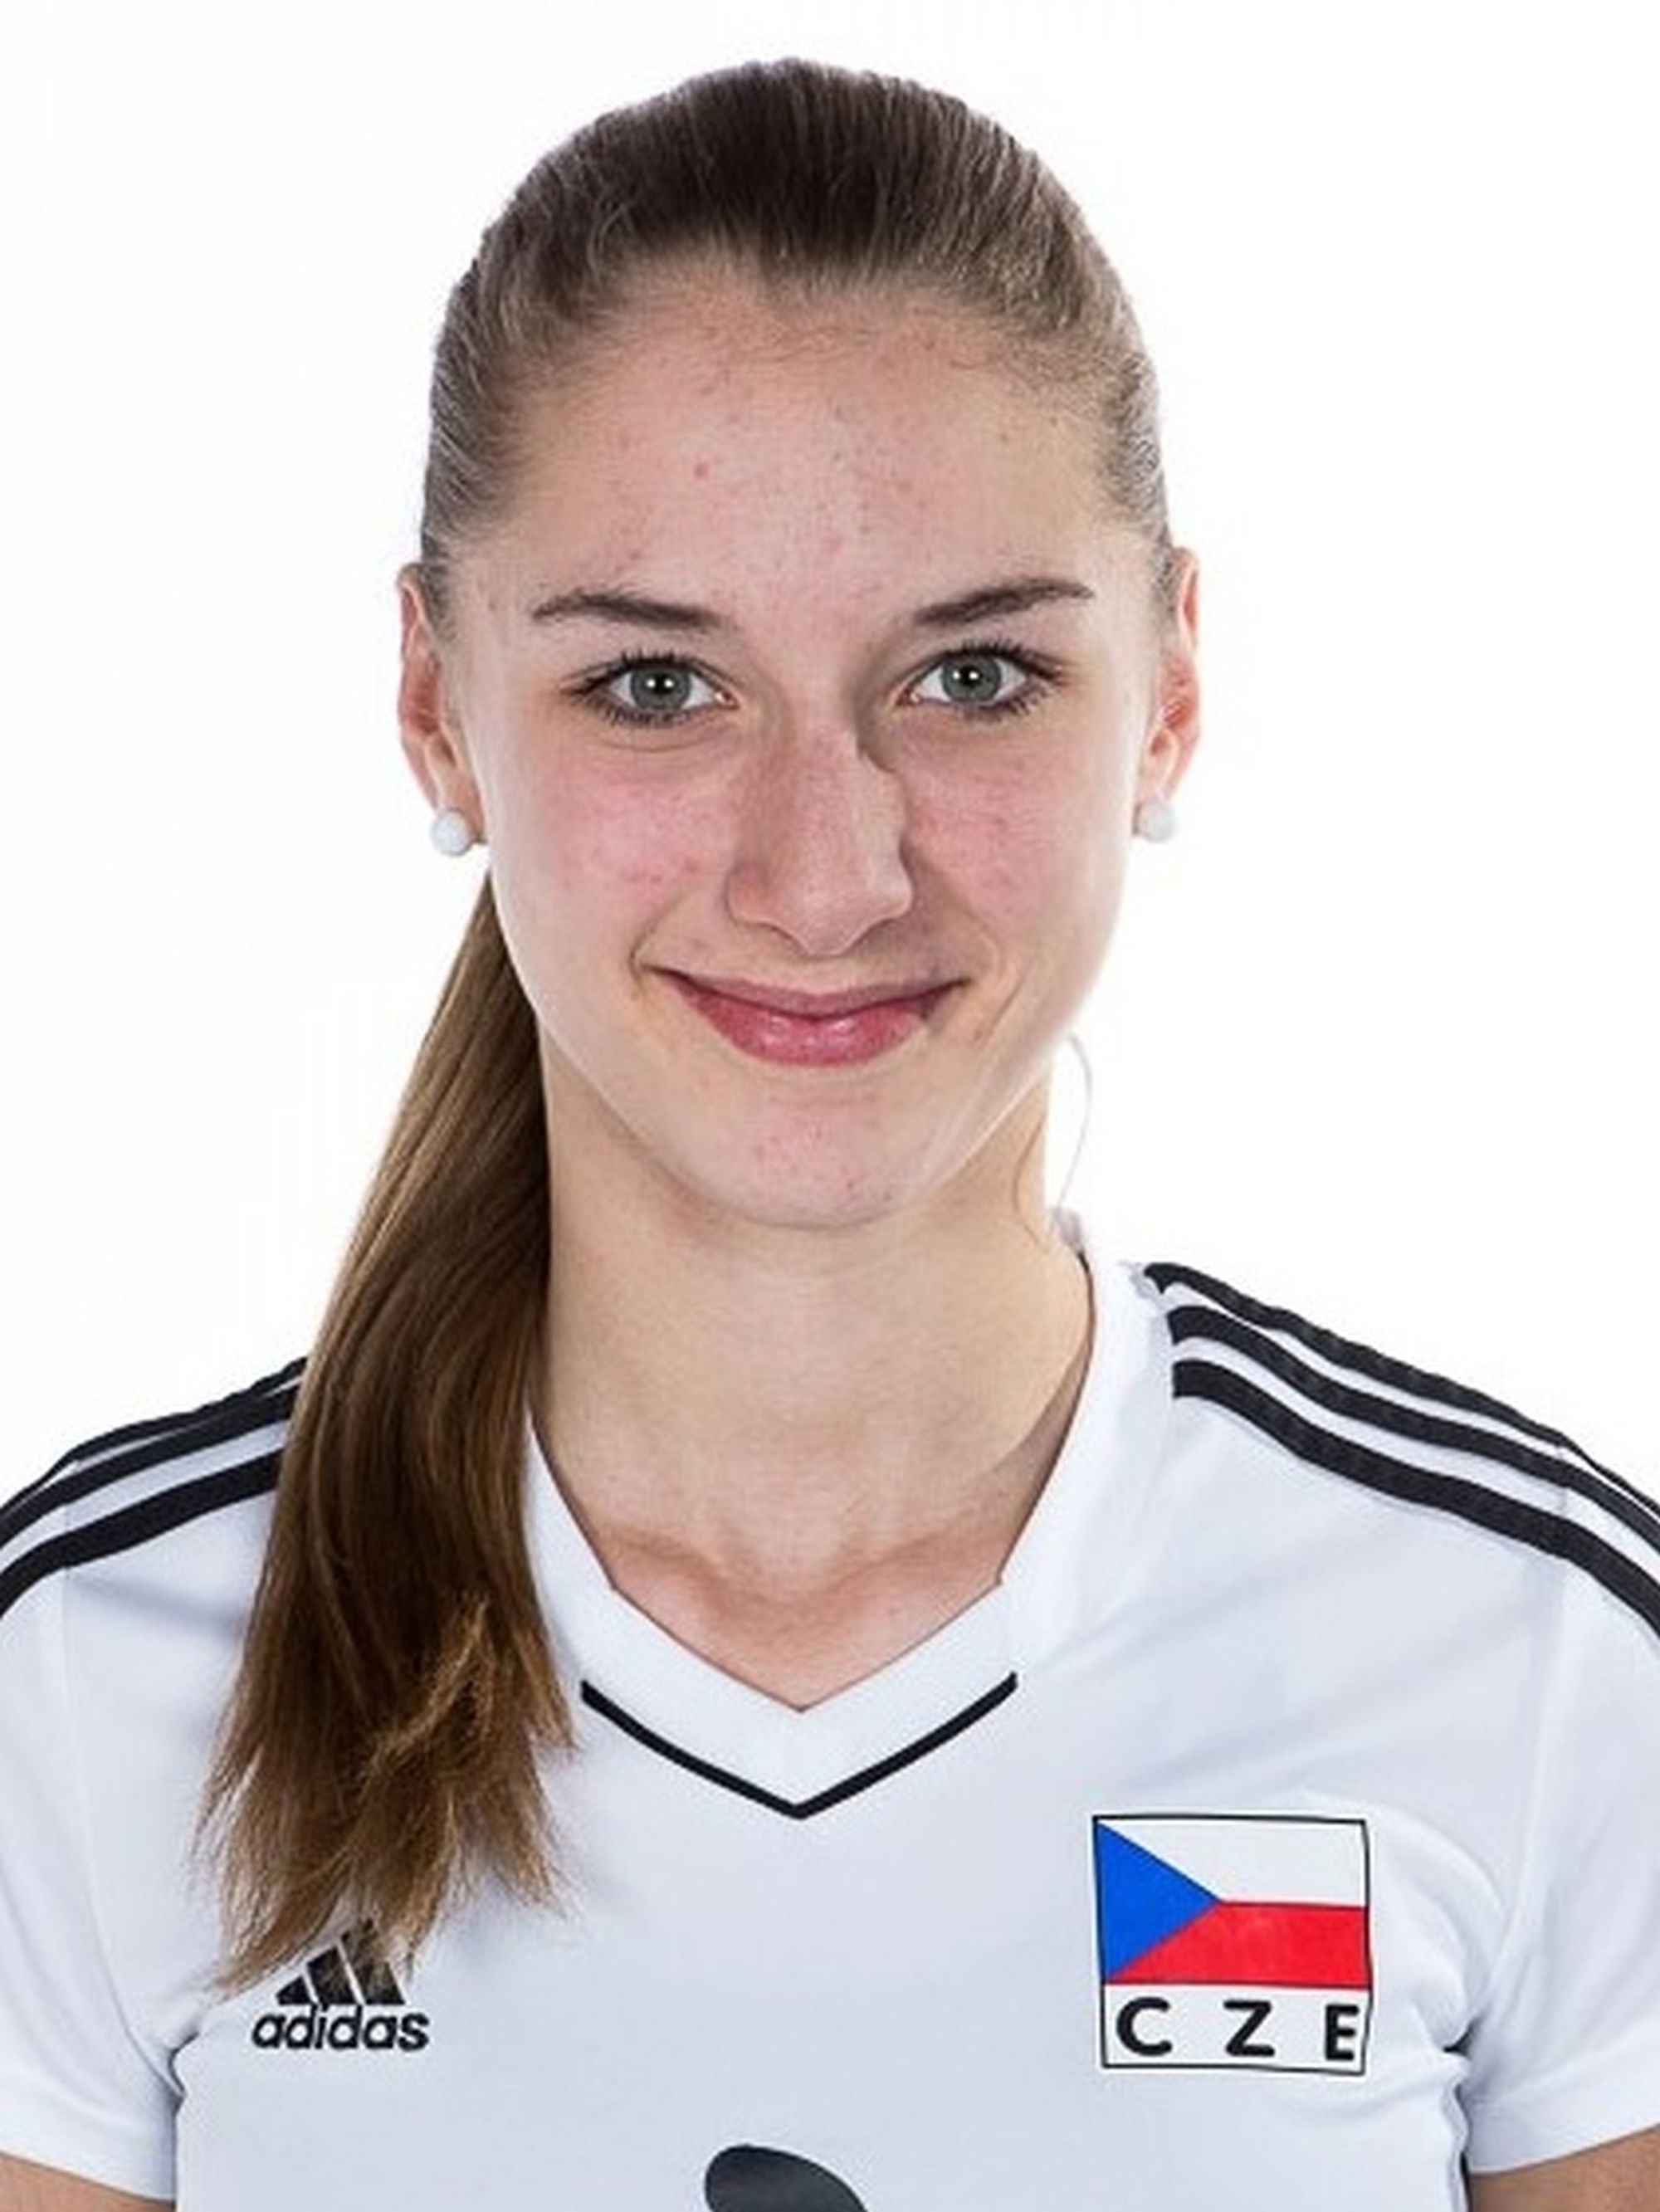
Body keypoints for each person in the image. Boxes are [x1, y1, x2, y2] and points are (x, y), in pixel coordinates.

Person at [2, 55, 1658, 2212]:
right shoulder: (92, 1673)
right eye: (657, 685)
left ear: (1167, 689)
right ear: (436, 705)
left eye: (971, 676)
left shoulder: (1531, 1651)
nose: (824, 873)